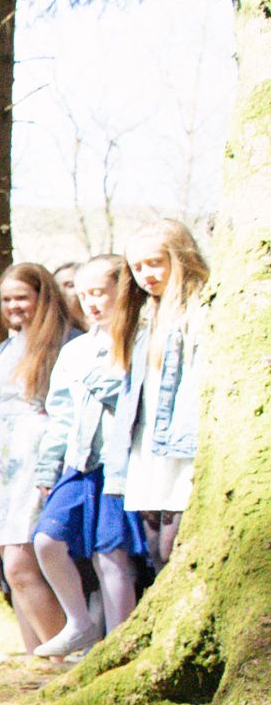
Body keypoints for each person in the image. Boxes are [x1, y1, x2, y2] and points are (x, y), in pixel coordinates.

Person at [30, 255, 147, 658]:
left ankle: (118, 644)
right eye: (83, 295)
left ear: (123, 289)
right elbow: (60, 414)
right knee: (46, 539)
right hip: (79, 463)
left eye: (99, 292)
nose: (91, 303)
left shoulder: (140, 340)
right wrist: (49, 467)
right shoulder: (77, 351)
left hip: (119, 465)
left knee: (110, 557)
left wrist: (112, 385)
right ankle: (78, 622)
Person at [0, 261, 76, 652]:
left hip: (36, 456)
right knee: (11, 571)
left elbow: (64, 411)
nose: (14, 307)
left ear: (42, 297)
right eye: (7, 299)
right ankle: (35, 658)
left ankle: (65, 654)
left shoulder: (63, 343)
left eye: (21, 298)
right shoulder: (8, 347)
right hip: (2, 463)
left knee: (21, 562)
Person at [109, 219, 208, 567]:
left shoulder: (200, 311)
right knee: (155, 551)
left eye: (155, 262)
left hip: (181, 447)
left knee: (173, 547)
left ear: (179, 258)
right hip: (146, 446)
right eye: (137, 267)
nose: (145, 274)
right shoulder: (142, 318)